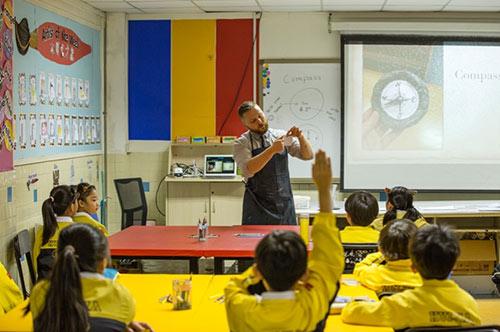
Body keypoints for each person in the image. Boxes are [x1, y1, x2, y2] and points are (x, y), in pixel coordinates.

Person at [225, 150, 344, 331]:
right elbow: (329, 261)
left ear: (260, 270)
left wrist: (257, 271)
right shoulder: (310, 305)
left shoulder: (239, 307)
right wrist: (323, 189)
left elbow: (234, 286)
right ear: (303, 273)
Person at [342, 224, 481, 329]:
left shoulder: (404, 304)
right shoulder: (469, 304)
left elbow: (350, 313)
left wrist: (354, 303)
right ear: (455, 264)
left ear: (413, 266)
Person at [28, 223, 153, 332]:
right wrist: (119, 324)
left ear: (58, 256)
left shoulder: (41, 292)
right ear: (103, 262)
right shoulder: (121, 296)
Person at [234, 101, 313, 225]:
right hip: (257, 206)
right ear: (245, 124)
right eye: (253, 121)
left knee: (286, 242)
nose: (259, 121)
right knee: (256, 243)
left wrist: (301, 137)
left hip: (284, 205)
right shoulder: (242, 143)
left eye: (260, 116)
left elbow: (307, 155)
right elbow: (248, 170)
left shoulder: (280, 136)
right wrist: (271, 150)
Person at [353, 219, 422, 294]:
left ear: (380, 248)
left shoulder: (375, 275)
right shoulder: (426, 277)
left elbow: (359, 269)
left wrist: (382, 254)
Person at [33, 185, 79, 280]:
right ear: (71, 206)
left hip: (45, 289)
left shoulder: (42, 231)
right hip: (70, 290)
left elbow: (35, 264)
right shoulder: (77, 231)